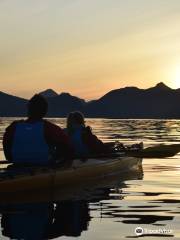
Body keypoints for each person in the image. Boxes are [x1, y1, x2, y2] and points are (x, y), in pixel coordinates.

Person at [3, 94, 73, 166]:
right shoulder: (50, 128)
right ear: (45, 111)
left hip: (17, 166)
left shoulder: (13, 127)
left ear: (28, 108)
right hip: (43, 167)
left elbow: (7, 153)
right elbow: (68, 148)